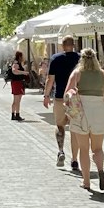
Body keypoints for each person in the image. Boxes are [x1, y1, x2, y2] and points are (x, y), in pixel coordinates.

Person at [64, 48, 104, 193]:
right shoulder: (102, 75)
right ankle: (101, 169)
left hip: (81, 112)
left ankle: (86, 182)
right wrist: (103, 108)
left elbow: (67, 92)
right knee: (98, 148)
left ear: (82, 59)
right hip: (98, 111)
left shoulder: (77, 73)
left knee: (83, 149)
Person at [43, 36, 81, 171]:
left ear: (62, 46)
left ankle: (61, 151)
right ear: (74, 45)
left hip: (60, 97)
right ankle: (75, 160)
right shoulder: (80, 59)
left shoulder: (55, 58)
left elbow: (50, 79)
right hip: (77, 99)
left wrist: (46, 95)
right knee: (75, 128)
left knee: (60, 126)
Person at [9, 51, 27, 120]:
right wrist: (24, 72)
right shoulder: (16, 63)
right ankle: (17, 115)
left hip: (16, 83)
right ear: (20, 56)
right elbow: (14, 71)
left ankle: (13, 115)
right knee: (17, 100)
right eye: (22, 56)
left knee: (15, 100)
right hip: (17, 83)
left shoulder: (16, 62)